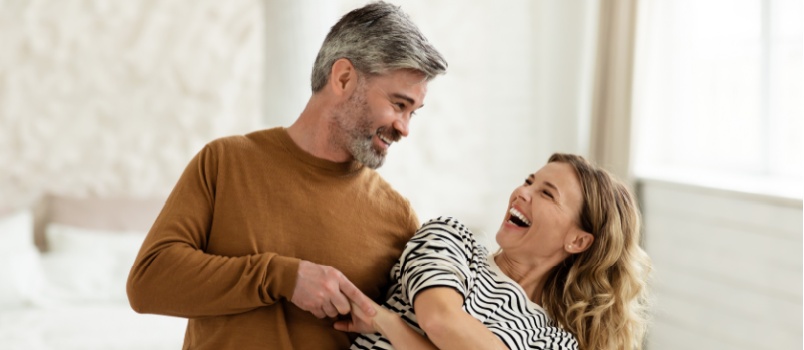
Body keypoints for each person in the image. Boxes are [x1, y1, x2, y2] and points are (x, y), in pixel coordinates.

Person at [126, 2, 447, 349]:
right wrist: (283, 278)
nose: (404, 128)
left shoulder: (398, 218)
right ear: (343, 78)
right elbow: (148, 283)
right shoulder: (225, 163)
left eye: (413, 113)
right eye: (399, 105)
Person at [337, 153, 653, 350]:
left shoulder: (555, 342)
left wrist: (387, 323)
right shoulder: (451, 240)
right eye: (528, 182)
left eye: (546, 194)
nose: (522, 193)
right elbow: (440, 320)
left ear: (578, 241)